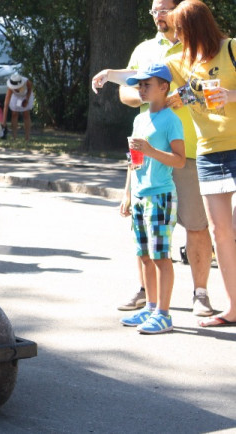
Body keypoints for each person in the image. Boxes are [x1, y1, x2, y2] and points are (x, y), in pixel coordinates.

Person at [115, 0, 214, 316]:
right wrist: (147, 93)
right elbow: (126, 92)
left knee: (196, 226)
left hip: (192, 150)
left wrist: (177, 95)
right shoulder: (145, 49)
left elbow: (206, 86)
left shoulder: (198, 47)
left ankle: (200, 294)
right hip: (148, 150)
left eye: (165, 9)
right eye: (154, 11)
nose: (159, 15)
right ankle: (147, 292)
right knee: (145, 226)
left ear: (179, 12)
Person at [168, 0, 236, 327]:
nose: (177, 36)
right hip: (209, 155)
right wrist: (111, 75)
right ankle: (234, 308)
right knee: (221, 232)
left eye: (181, 30)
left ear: (196, 28)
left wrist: (231, 96)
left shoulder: (232, 49)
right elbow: (143, 78)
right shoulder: (182, 62)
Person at [115, 64, 186, 334]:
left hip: (161, 195)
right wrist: (127, 193)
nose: (141, 89)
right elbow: (133, 161)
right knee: (143, 255)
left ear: (164, 87)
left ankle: (164, 314)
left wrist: (151, 150)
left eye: (147, 85)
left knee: (160, 257)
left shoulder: (171, 120)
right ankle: (150, 306)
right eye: (139, 85)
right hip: (141, 195)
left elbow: (179, 161)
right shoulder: (139, 119)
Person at [2, 73, 34, 141]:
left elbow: (29, 90)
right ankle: (14, 137)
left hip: (26, 95)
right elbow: (6, 104)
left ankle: (27, 137)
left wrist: (26, 100)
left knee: (26, 114)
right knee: (14, 114)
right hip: (16, 97)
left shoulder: (27, 82)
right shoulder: (10, 88)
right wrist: (4, 121)